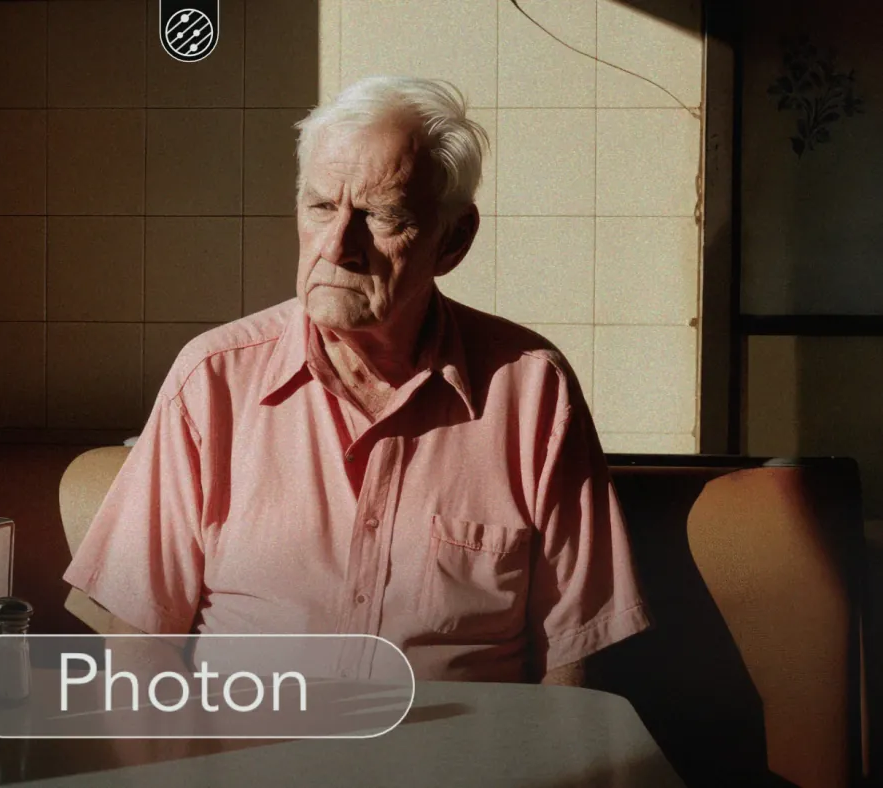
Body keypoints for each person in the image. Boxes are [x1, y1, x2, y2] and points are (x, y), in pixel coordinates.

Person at [64, 76, 651, 687]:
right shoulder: (213, 379)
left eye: (382, 216)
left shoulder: (531, 392)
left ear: (453, 240)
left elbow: (574, 656)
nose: (337, 245)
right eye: (321, 207)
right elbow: (138, 644)